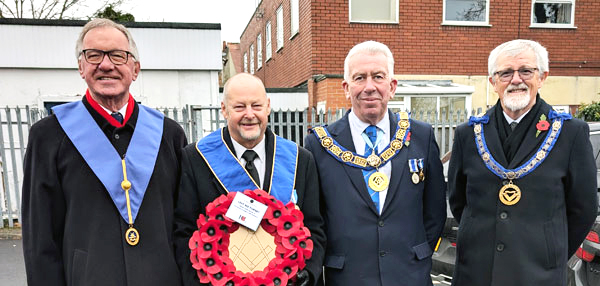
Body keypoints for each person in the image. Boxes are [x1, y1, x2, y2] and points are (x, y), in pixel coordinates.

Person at [21, 18, 187, 286]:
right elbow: (40, 238)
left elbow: (185, 224)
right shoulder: (48, 137)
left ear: (135, 69)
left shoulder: (169, 135)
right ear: (81, 67)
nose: (106, 65)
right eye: (94, 55)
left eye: (118, 56)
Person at [448, 39, 598, 286]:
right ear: (493, 82)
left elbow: (583, 209)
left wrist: (551, 253)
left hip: (539, 274)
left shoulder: (570, 133)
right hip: (476, 272)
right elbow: (459, 201)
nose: (515, 79)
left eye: (526, 71)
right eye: (505, 72)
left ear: (542, 77)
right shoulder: (468, 134)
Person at [304, 40, 446, 286]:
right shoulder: (318, 144)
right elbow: (313, 219)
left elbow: (434, 210)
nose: (369, 87)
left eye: (378, 77)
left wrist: (416, 253)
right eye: (360, 78)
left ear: (392, 86)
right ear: (347, 88)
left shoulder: (422, 136)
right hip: (348, 276)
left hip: (410, 275)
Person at [174, 73, 325, 286]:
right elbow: (184, 232)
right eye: (239, 107)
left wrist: (306, 274)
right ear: (224, 109)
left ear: (268, 107)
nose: (249, 114)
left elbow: (315, 228)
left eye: (256, 105)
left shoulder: (300, 159)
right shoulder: (195, 158)